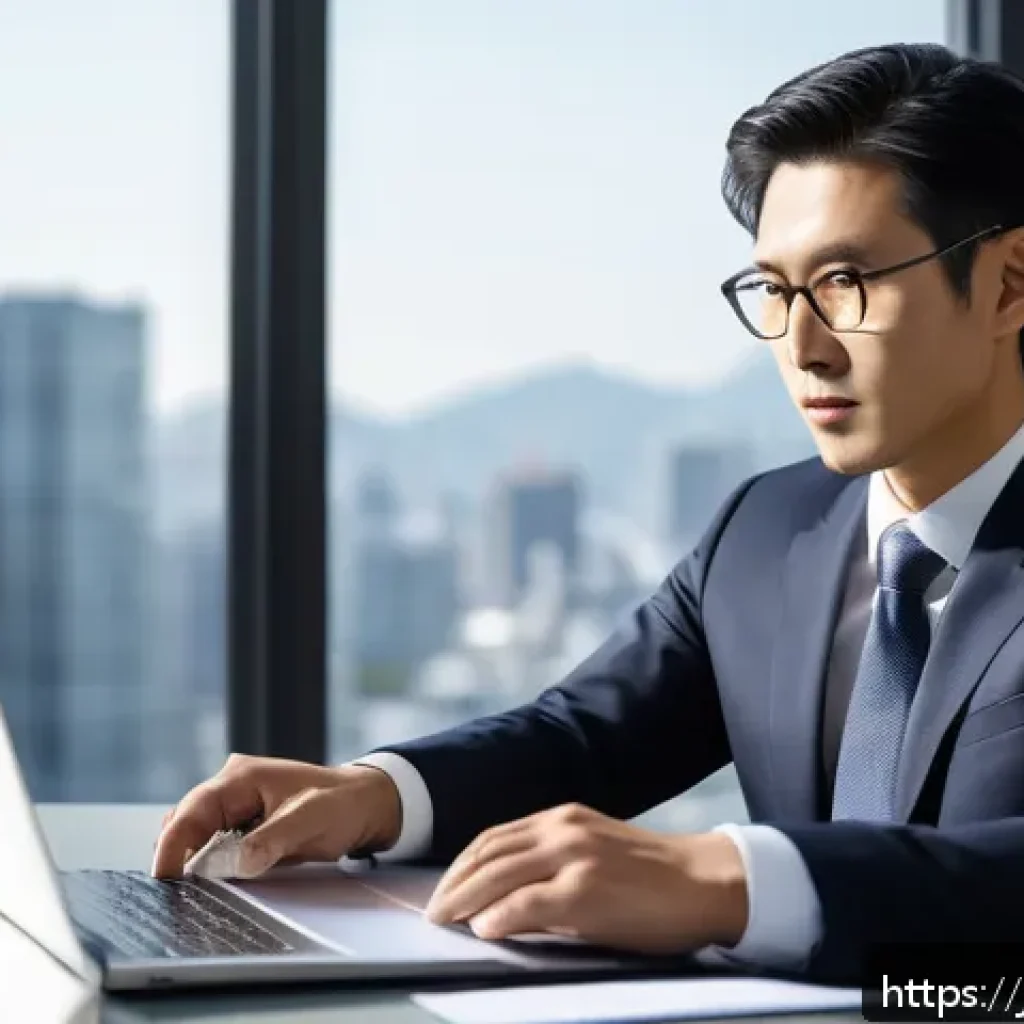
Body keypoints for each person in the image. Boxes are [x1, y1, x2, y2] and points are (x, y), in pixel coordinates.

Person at [152, 42, 1024, 985]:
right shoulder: (767, 530)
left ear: (1010, 285)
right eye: (774, 289)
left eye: (847, 284)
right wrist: (374, 795)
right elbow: (586, 737)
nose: (802, 345)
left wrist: (732, 880)